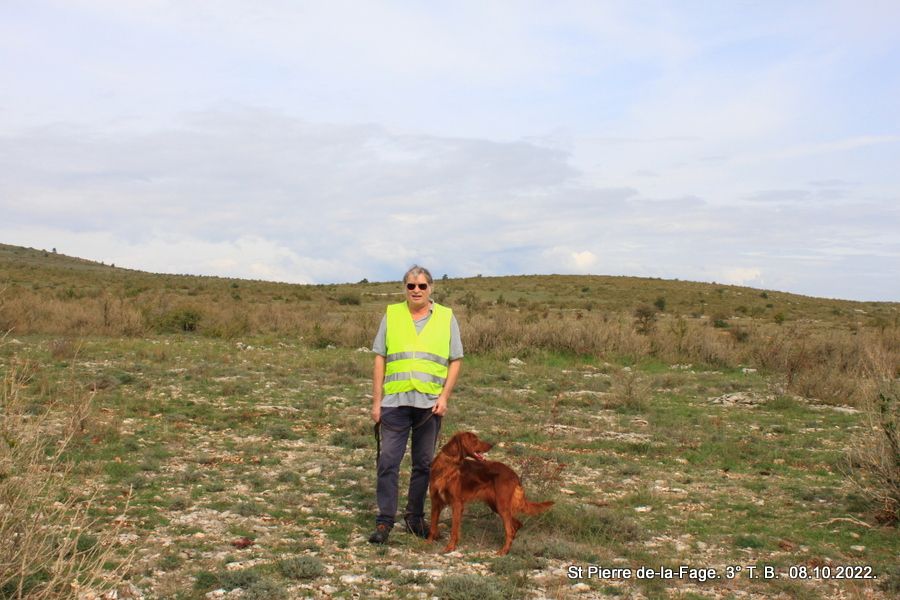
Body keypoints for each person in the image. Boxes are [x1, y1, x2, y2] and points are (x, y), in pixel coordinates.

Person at [368, 265, 463, 544]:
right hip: (394, 403)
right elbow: (379, 358)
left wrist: (444, 397)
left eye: (422, 286)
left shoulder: (446, 317)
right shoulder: (392, 314)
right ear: (405, 288)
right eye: (411, 286)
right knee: (388, 462)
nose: (417, 290)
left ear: (430, 288)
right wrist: (377, 403)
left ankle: (414, 518)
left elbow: (455, 360)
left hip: (429, 405)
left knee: (423, 464)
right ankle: (385, 521)